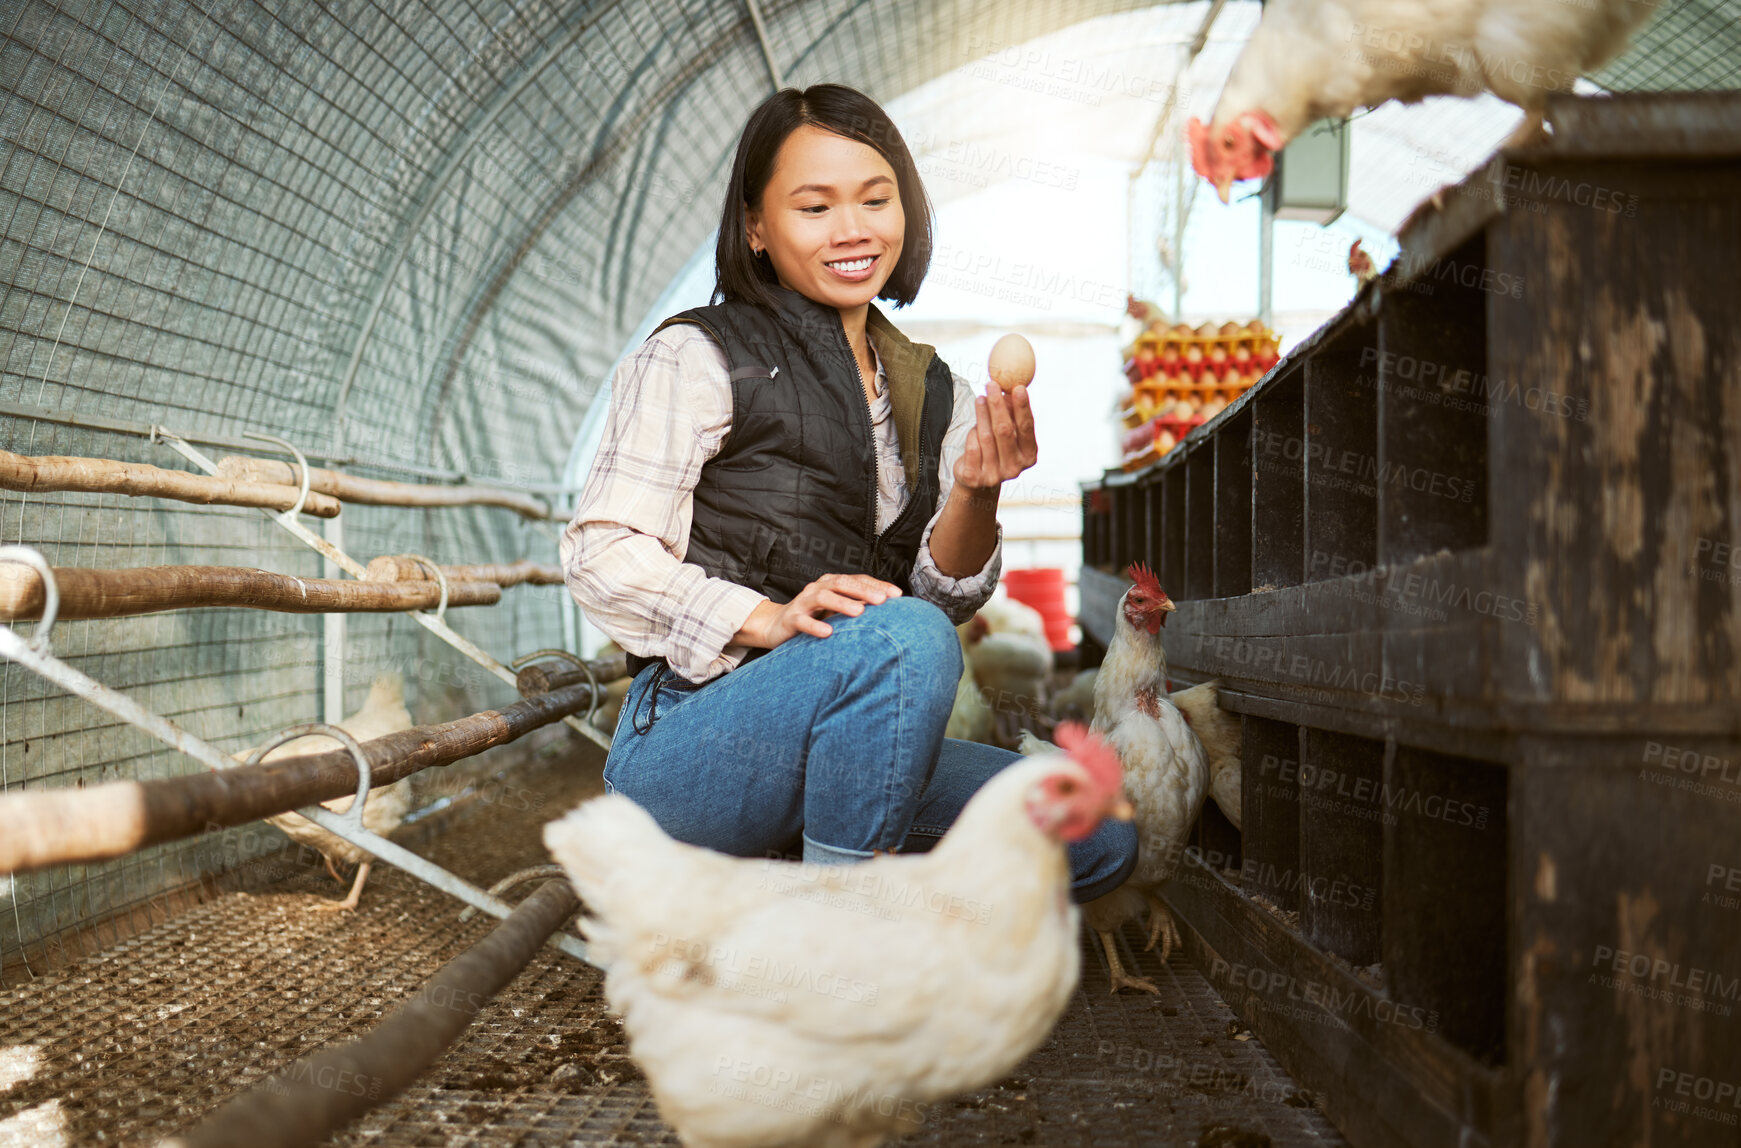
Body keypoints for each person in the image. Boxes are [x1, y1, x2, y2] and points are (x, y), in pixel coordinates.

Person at [560, 83, 1136, 900]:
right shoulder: (697, 355)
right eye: (814, 206)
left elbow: (945, 597)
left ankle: (812, 869)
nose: (853, 228)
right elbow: (600, 553)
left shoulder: (933, 390)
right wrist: (767, 618)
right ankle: (840, 943)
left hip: (851, 737)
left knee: (1097, 836)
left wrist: (975, 490)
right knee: (901, 636)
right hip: (690, 746)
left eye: (875, 198)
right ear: (755, 226)